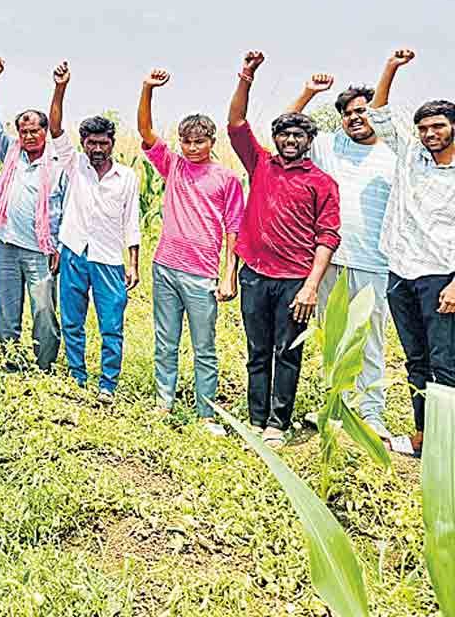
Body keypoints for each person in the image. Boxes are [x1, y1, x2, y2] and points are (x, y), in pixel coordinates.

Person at [284, 50, 414, 438]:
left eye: (362, 110)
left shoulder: (395, 153)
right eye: (348, 113)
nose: (355, 117)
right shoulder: (329, 147)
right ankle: (337, 409)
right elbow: (287, 126)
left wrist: (389, 68)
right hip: (329, 263)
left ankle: (370, 416)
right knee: (334, 339)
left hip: (375, 263)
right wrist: (308, 92)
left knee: (369, 342)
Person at [228, 51, 340, 448]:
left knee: (287, 352)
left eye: (299, 136)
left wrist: (311, 287)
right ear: (276, 139)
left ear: (309, 141)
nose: (291, 140)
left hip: (295, 281)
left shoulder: (322, 183)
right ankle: (256, 418)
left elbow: (328, 236)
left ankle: (279, 421)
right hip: (255, 276)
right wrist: (247, 76)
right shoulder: (261, 166)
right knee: (257, 351)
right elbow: (237, 124)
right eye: (284, 135)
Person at [138, 69, 244, 433]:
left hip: (202, 275)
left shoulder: (227, 178)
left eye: (199, 141)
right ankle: (163, 403)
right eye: (186, 140)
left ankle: (207, 413)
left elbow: (234, 230)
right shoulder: (174, 166)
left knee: (204, 347)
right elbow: (146, 132)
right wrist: (148, 89)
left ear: (212, 141)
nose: (192, 147)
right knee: (165, 340)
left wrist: (229, 274)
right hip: (165, 266)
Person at [48, 62, 141, 402]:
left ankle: (108, 384)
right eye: (91, 143)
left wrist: (132, 263)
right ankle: (77, 377)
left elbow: (131, 222)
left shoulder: (126, 177)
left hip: (109, 258)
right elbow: (55, 128)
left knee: (111, 325)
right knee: (72, 321)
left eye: (103, 142)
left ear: (112, 143)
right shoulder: (74, 165)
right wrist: (60, 87)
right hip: (74, 252)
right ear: (84, 144)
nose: (97, 148)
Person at [0, 57, 68, 372]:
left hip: (41, 251)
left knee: (44, 310)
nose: (29, 136)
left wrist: (59, 246)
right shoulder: (10, 153)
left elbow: (67, 208)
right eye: (24, 130)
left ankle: (44, 366)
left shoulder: (58, 163)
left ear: (45, 131)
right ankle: (11, 362)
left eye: (34, 130)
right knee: (6, 309)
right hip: (6, 245)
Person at [378, 92, 455, 458]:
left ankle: (446, 443)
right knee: (416, 361)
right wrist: (391, 67)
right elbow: (379, 114)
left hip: (442, 278)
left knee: (445, 363)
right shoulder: (410, 157)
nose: (430, 133)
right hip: (402, 273)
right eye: (423, 128)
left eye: (438, 125)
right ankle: (424, 435)